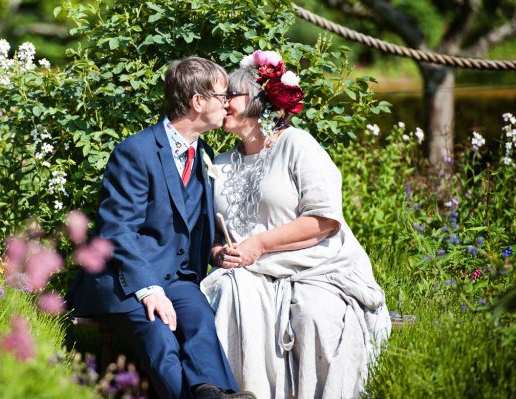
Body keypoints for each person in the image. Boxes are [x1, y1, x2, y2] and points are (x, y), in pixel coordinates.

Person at [200, 51, 391, 399]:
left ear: (259, 102)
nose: (224, 104)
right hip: (250, 273)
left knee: (314, 314)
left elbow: (324, 220)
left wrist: (259, 245)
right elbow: (213, 236)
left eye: (232, 96)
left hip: (315, 265)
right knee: (230, 291)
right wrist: (218, 254)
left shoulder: (297, 145)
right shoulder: (222, 163)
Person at [69, 57, 256, 399]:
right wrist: (149, 289)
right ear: (197, 102)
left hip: (179, 278)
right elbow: (117, 231)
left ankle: (216, 395)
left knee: (200, 323)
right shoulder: (135, 152)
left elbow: (196, 222)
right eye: (221, 95)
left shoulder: (203, 153)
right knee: (161, 336)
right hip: (124, 280)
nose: (228, 102)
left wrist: (216, 251)